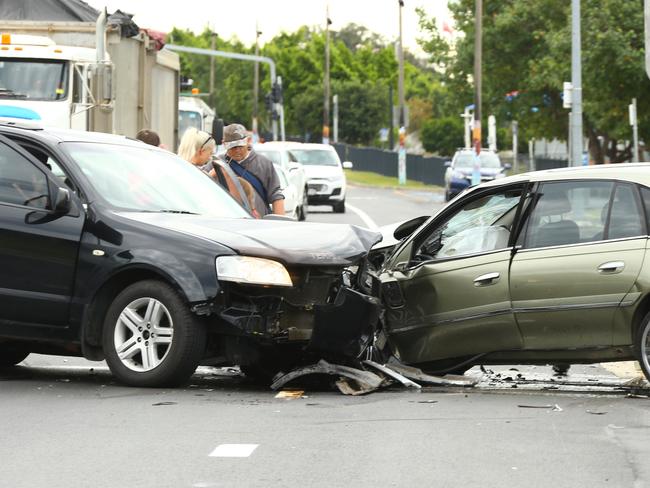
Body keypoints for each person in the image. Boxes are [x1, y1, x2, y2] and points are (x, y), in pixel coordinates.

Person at [220, 123, 284, 216]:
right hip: (226, 220)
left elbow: (276, 195)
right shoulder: (218, 163)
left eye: (240, 146)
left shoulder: (264, 163)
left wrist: (280, 224)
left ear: (248, 140)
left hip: (259, 222)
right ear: (224, 144)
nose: (237, 150)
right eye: (233, 147)